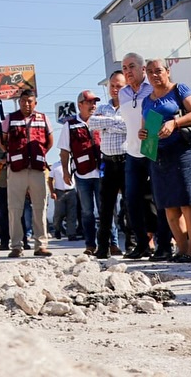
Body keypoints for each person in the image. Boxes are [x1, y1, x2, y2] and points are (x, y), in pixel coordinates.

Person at [137, 59, 191, 263]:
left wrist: (174, 122)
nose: (154, 75)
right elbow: (146, 127)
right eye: (149, 72)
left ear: (167, 71)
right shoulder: (147, 100)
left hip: (183, 151)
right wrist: (143, 134)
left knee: (188, 201)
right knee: (169, 205)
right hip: (159, 155)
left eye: (158, 71)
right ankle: (182, 249)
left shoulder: (179, 89)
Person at [119, 53, 173, 261]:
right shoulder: (123, 94)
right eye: (124, 68)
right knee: (132, 201)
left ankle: (164, 245)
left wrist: (151, 143)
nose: (127, 71)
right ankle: (142, 244)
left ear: (143, 69)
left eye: (131, 66)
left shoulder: (153, 90)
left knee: (159, 200)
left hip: (152, 149)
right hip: (132, 152)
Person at [60, 90, 124, 256]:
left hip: (102, 173)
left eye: (94, 102)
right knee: (87, 212)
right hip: (82, 175)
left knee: (108, 209)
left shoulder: (103, 122)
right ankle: (90, 245)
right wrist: (66, 172)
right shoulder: (70, 125)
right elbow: (64, 151)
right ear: (80, 105)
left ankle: (113, 243)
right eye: (88, 102)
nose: (92, 105)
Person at [3, 89, 53, 258]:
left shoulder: (44, 118)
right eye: (23, 100)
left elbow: (49, 141)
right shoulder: (10, 118)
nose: (26, 104)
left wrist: (39, 155)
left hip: (38, 169)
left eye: (30, 101)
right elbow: (2, 142)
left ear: (35, 103)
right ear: (19, 102)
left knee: (40, 207)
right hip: (17, 169)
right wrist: (13, 156)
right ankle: (16, 246)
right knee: (14, 209)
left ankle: (41, 245)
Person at [95, 71, 129, 257]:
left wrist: (107, 124)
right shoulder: (102, 108)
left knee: (130, 204)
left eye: (120, 86)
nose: (116, 89)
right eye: (113, 86)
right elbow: (92, 123)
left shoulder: (130, 106)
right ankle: (103, 247)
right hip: (107, 163)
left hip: (126, 160)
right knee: (106, 207)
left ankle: (132, 245)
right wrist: (117, 123)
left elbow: (128, 125)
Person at [49, 160, 79, 240]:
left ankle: (71, 234)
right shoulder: (55, 165)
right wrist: (52, 192)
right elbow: (50, 180)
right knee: (59, 213)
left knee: (72, 214)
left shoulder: (73, 164)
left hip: (71, 191)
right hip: (59, 192)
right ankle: (57, 229)